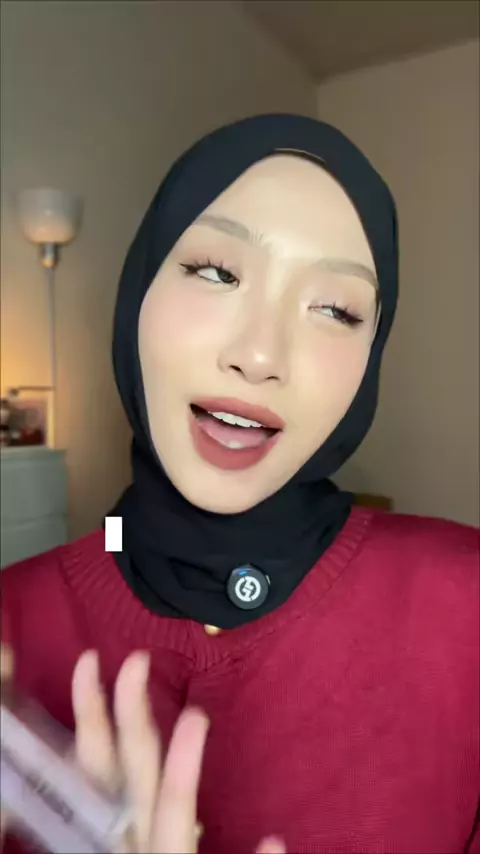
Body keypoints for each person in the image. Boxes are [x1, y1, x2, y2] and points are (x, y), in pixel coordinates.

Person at [1, 114, 478, 854]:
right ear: (138, 290)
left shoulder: (465, 605)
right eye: (216, 272)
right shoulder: (12, 622)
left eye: (335, 309)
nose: (260, 355)